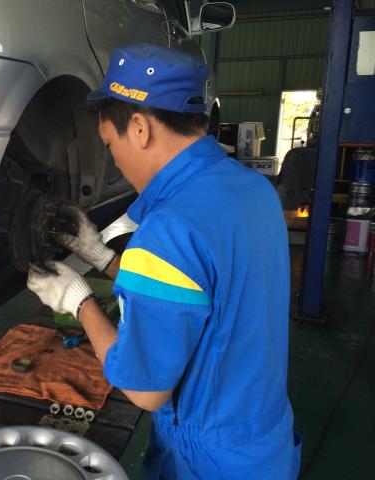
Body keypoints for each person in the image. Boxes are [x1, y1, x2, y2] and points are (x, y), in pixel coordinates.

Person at [27, 44, 301, 479]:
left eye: (108, 143)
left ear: (138, 127)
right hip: (263, 441)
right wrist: (99, 256)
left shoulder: (168, 229)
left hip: (209, 462)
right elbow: (196, 292)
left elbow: (144, 389)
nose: (112, 158)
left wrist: (78, 302)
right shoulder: (251, 190)